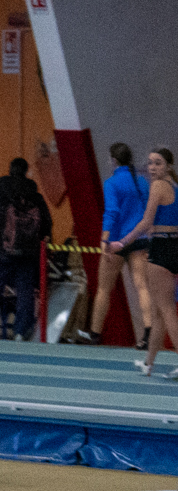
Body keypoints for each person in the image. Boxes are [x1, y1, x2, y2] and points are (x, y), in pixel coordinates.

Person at [0, 158, 49, 340]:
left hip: (0, 253)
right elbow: (46, 225)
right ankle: (21, 331)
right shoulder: (36, 197)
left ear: (9, 170)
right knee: (25, 293)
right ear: (26, 171)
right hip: (27, 254)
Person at [88, 141, 152, 347]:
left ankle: (95, 333)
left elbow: (112, 212)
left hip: (116, 241)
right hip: (138, 239)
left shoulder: (111, 183)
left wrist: (104, 238)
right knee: (142, 287)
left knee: (104, 289)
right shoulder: (141, 181)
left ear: (113, 160)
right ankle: (148, 333)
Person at [135, 149, 178, 377]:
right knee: (159, 312)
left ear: (168, 165)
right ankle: (148, 363)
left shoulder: (158, 186)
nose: (152, 167)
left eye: (158, 163)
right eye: (150, 163)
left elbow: (146, 221)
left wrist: (122, 241)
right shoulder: (175, 187)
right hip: (174, 247)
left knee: (167, 311)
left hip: (161, 250)